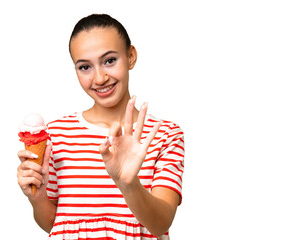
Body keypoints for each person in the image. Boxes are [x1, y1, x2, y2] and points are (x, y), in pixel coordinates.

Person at [17, 14, 184, 240]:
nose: (100, 78)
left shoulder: (164, 135)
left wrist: (129, 184)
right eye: (85, 67)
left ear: (131, 56)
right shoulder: (57, 134)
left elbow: (161, 223)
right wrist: (36, 198)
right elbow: (55, 225)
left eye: (109, 60)